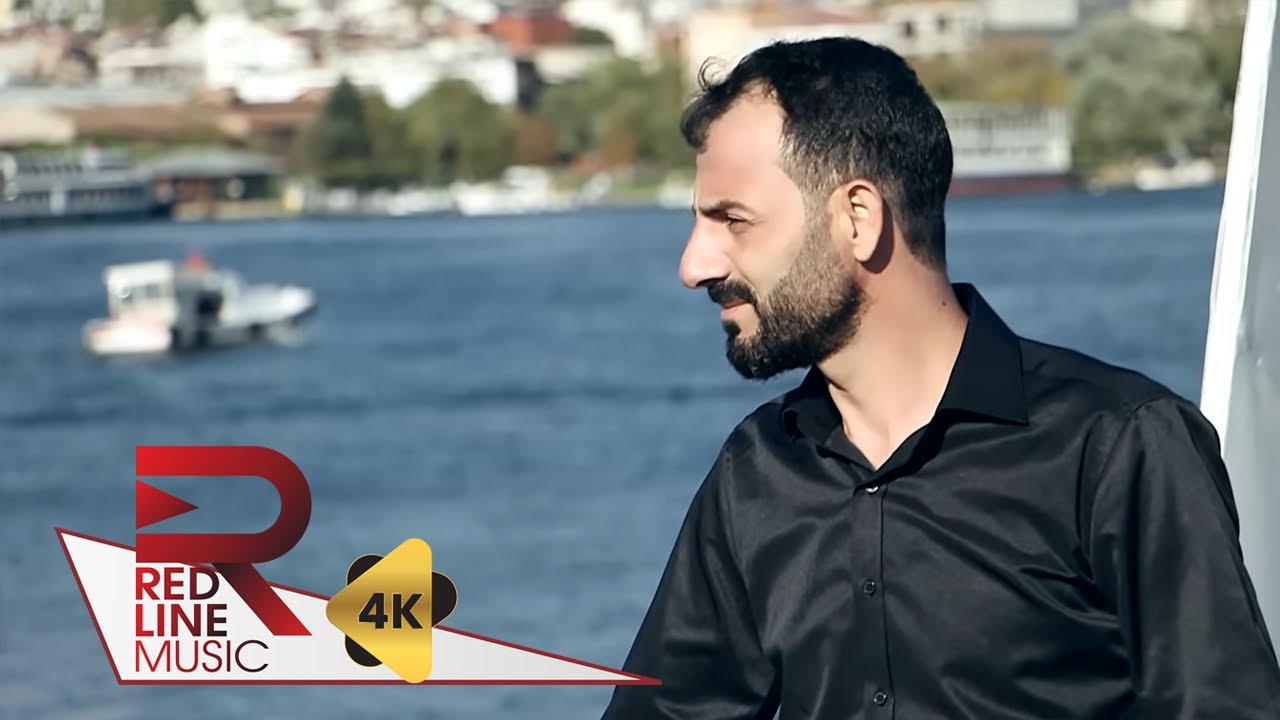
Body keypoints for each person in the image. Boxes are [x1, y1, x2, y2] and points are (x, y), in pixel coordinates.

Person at [600, 37, 1280, 719]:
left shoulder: (1118, 447)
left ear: (859, 218)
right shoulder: (756, 471)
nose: (694, 265)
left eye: (732, 220)